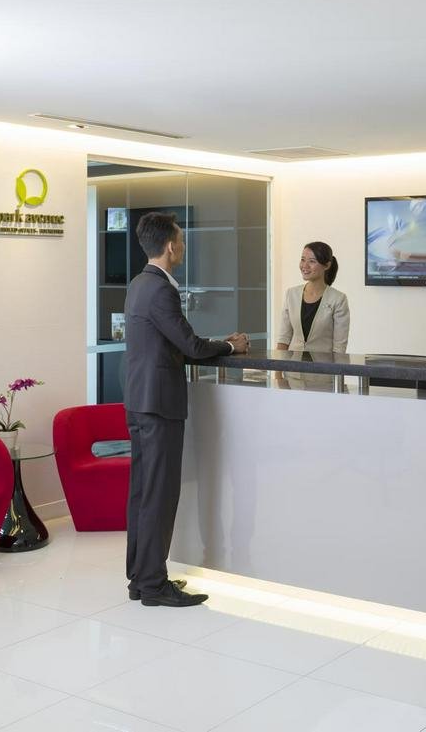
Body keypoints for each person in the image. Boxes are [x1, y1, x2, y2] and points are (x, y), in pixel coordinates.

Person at [124, 211, 249, 607]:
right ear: (170, 246)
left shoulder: (138, 283)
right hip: (159, 405)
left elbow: (173, 338)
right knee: (159, 496)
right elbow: (190, 345)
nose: (182, 247)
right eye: (181, 240)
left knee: (144, 493)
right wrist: (231, 347)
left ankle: (141, 579)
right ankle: (153, 585)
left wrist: (212, 341)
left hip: (141, 401)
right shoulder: (161, 289)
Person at [276, 241, 350, 353]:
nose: (305, 266)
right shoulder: (291, 294)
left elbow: (339, 348)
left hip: (322, 369)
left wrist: (334, 370)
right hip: (292, 368)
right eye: (302, 260)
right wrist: (277, 370)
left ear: (327, 265)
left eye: (312, 261)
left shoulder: (338, 299)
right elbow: (283, 339)